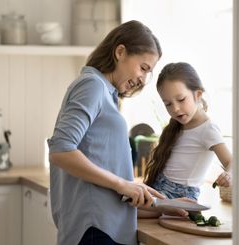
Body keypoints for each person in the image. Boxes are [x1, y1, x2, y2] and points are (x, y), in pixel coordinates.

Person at [47, 20, 188, 245]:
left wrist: (155, 201)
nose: (143, 79)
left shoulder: (105, 93)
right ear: (120, 52)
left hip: (102, 228)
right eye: (143, 68)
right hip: (95, 230)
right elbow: (60, 150)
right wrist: (122, 184)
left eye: (148, 72)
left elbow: (100, 171)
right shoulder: (92, 86)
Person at [143, 62, 232, 201]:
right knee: (121, 202)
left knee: (126, 211)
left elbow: (231, 161)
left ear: (198, 95)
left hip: (180, 195)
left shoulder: (208, 129)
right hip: (159, 187)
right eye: (168, 104)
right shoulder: (177, 125)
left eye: (181, 99)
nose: (175, 109)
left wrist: (229, 175)